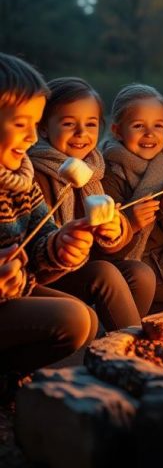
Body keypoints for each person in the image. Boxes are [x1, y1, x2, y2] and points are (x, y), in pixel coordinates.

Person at [30, 77, 156, 328]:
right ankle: (131, 354)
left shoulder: (97, 172)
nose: (81, 134)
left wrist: (117, 231)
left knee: (141, 274)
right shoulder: (36, 174)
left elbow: (107, 252)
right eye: (68, 124)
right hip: (49, 274)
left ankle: (110, 343)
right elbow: (36, 250)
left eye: (90, 124)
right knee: (104, 273)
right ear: (43, 128)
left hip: (85, 267)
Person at [0, 54, 96, 379]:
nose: (31, 136)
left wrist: (61, 245)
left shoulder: (21, 179)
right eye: (20, 123)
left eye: (34, 124)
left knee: (89, 320)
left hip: (14, 293)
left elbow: (41, 246)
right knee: (73, 319)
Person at [101, 83, 163, 303]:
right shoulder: (108, 173)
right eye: (138, 126)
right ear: (117, 131)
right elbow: (104, 247)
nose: (149, 134)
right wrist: (131, 223)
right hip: (128, 268)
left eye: (158, 126)